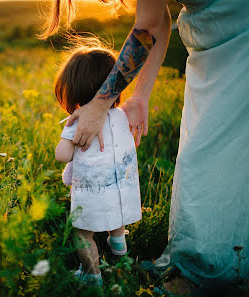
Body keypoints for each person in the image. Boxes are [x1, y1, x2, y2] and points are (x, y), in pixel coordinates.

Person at [44, 0, 249, 294]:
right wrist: (140, 96)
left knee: (206, 156)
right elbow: (160, 19)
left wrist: (99, 105)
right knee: (232, 152)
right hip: (215, 46)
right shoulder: (119, 119)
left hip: (244, 40)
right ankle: (225, 254)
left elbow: (152, 23)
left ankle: (202, 272)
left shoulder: (85, 121)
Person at [54, 45, 142, 287]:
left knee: (83, 234)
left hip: (92, 193)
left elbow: (62, 155)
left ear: (74, 90)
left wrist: (66, 141)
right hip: (119, 188)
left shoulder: (79, 120)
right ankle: (118, 244)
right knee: (115, 212)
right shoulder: (121, 115)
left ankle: (91, 275)